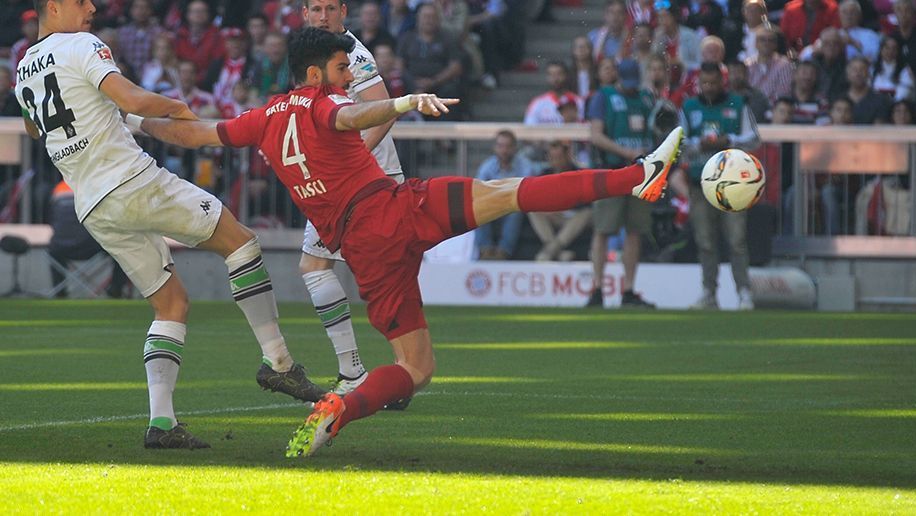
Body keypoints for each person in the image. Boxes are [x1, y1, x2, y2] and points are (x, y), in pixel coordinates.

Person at [133, 27, 684, 457]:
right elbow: (350, 114)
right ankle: (638, 176)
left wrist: (136, 121)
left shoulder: (261, 117)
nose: (346, 75)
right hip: (394, 212)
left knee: (415, 368)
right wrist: (401, 103)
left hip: (361, 250)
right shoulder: (320, 102)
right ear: (313, 73)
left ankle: (341, 408)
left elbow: (195, 131)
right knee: (510, 191)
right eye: (340, 67)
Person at [16, 0, 326, 450]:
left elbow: (33, 128)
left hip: (92, 204)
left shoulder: (25, 65)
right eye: (82, 1)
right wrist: (180, 107)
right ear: (54, 6)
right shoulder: (82, 44)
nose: (93, 7)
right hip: (130, 181)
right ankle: (279, 364)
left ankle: (161, 423)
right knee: (240, 244)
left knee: (172, 305)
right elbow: (133, 99)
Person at [301, 0, 411, 400]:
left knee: (381, 279)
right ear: (305, 13)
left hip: (368, 177)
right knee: (315, 265)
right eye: (317, 8)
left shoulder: (353, 52)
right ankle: (357, 372)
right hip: (341, 179)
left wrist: (353, 158)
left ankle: (395, 375)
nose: (324, 15)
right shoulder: (309, 54)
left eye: (331, 8)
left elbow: (383, 111)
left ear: (344, 12)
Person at [680, 62, 760, 310]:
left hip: (733, 183)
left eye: (714, 82)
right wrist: (697, 144)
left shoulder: (738, 103)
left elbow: (754, 137)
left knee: (736, 240)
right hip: (700, 183)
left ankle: (744, 291)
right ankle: (709, 292)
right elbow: (679, 142)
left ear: (722, 81)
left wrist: (730, 140)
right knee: (705, 241)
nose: (709, 87)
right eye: (705, 83)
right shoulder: (689, 106)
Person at [584, 59, 656, 309]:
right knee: (603, 229)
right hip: (612, 169)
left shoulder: (647, 98)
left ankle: (628, 289)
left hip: (640, 172)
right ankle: (597, 287)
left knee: (635, 230)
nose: (631, 87)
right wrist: (624, 151)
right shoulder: (603, 97)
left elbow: (656, 130)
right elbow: (595, 135)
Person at [527, 141, 593, 261]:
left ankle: (551, 250)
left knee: (586, 213)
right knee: (532, 211)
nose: (555, 161)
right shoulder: (544, 175)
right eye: (552, 157)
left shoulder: (579, 173)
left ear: (567, 155)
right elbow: (536, 199)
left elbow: (586, 203)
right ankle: (559, 253)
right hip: (554, 215)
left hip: (573, 216)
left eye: (558, 157)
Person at [474, 130, 534, 259]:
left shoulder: (525, 166)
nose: (504, 150)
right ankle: (485, 251)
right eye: (501, 146)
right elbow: (477, 191)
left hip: (514, 204)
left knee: (515, 210)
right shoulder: (487, 166)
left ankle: (503, 252)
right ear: (495, 148)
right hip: (493, 205)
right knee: (477, 208)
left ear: (514, 148)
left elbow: (527, 191)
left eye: (508, 146)